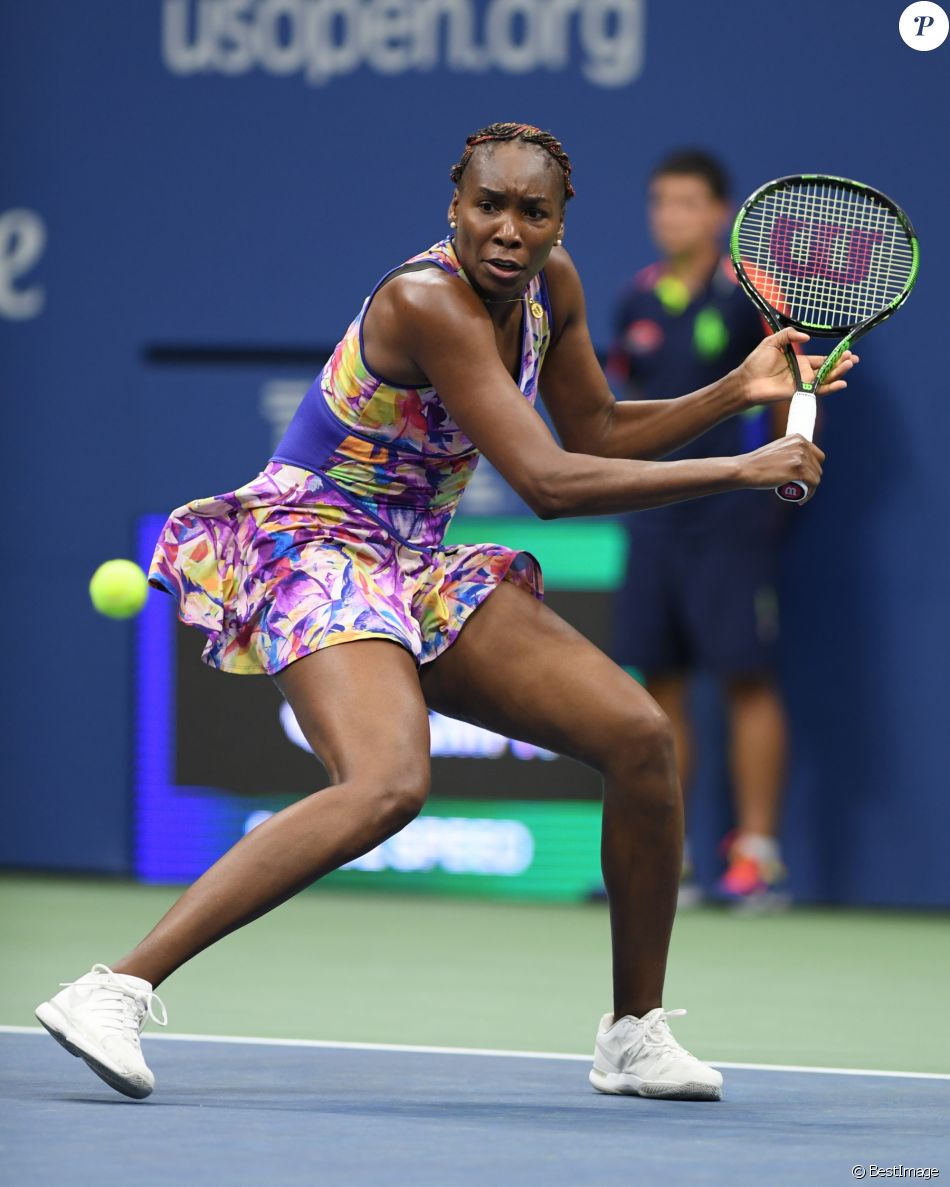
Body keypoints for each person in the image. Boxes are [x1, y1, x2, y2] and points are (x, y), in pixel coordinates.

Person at [35, 123, 853, 1104]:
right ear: (453, 208)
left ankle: (631, 1033)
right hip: (313, 543)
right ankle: (113, 986)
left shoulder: (554, 288)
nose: (508, 230)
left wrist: (735, 389)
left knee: (638, 736)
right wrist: (741, 466)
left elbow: (593, 426)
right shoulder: (425, 300)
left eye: (532, 212)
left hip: (411, 554)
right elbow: (548, 479)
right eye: (488, 206)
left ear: (559, 221)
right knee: (385, 781)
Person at [608, 149, 795, 908]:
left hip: (735, 513)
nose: (670, 216)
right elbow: (620, 414)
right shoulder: (636, 301)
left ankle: (757, 856)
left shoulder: (755, 294)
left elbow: (789, 401)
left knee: (746, 677)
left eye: (686, 203)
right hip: (655, 515)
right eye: (660, 202)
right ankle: (670, 859)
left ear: (720, 213)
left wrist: (776, 490)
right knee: (659, 686)